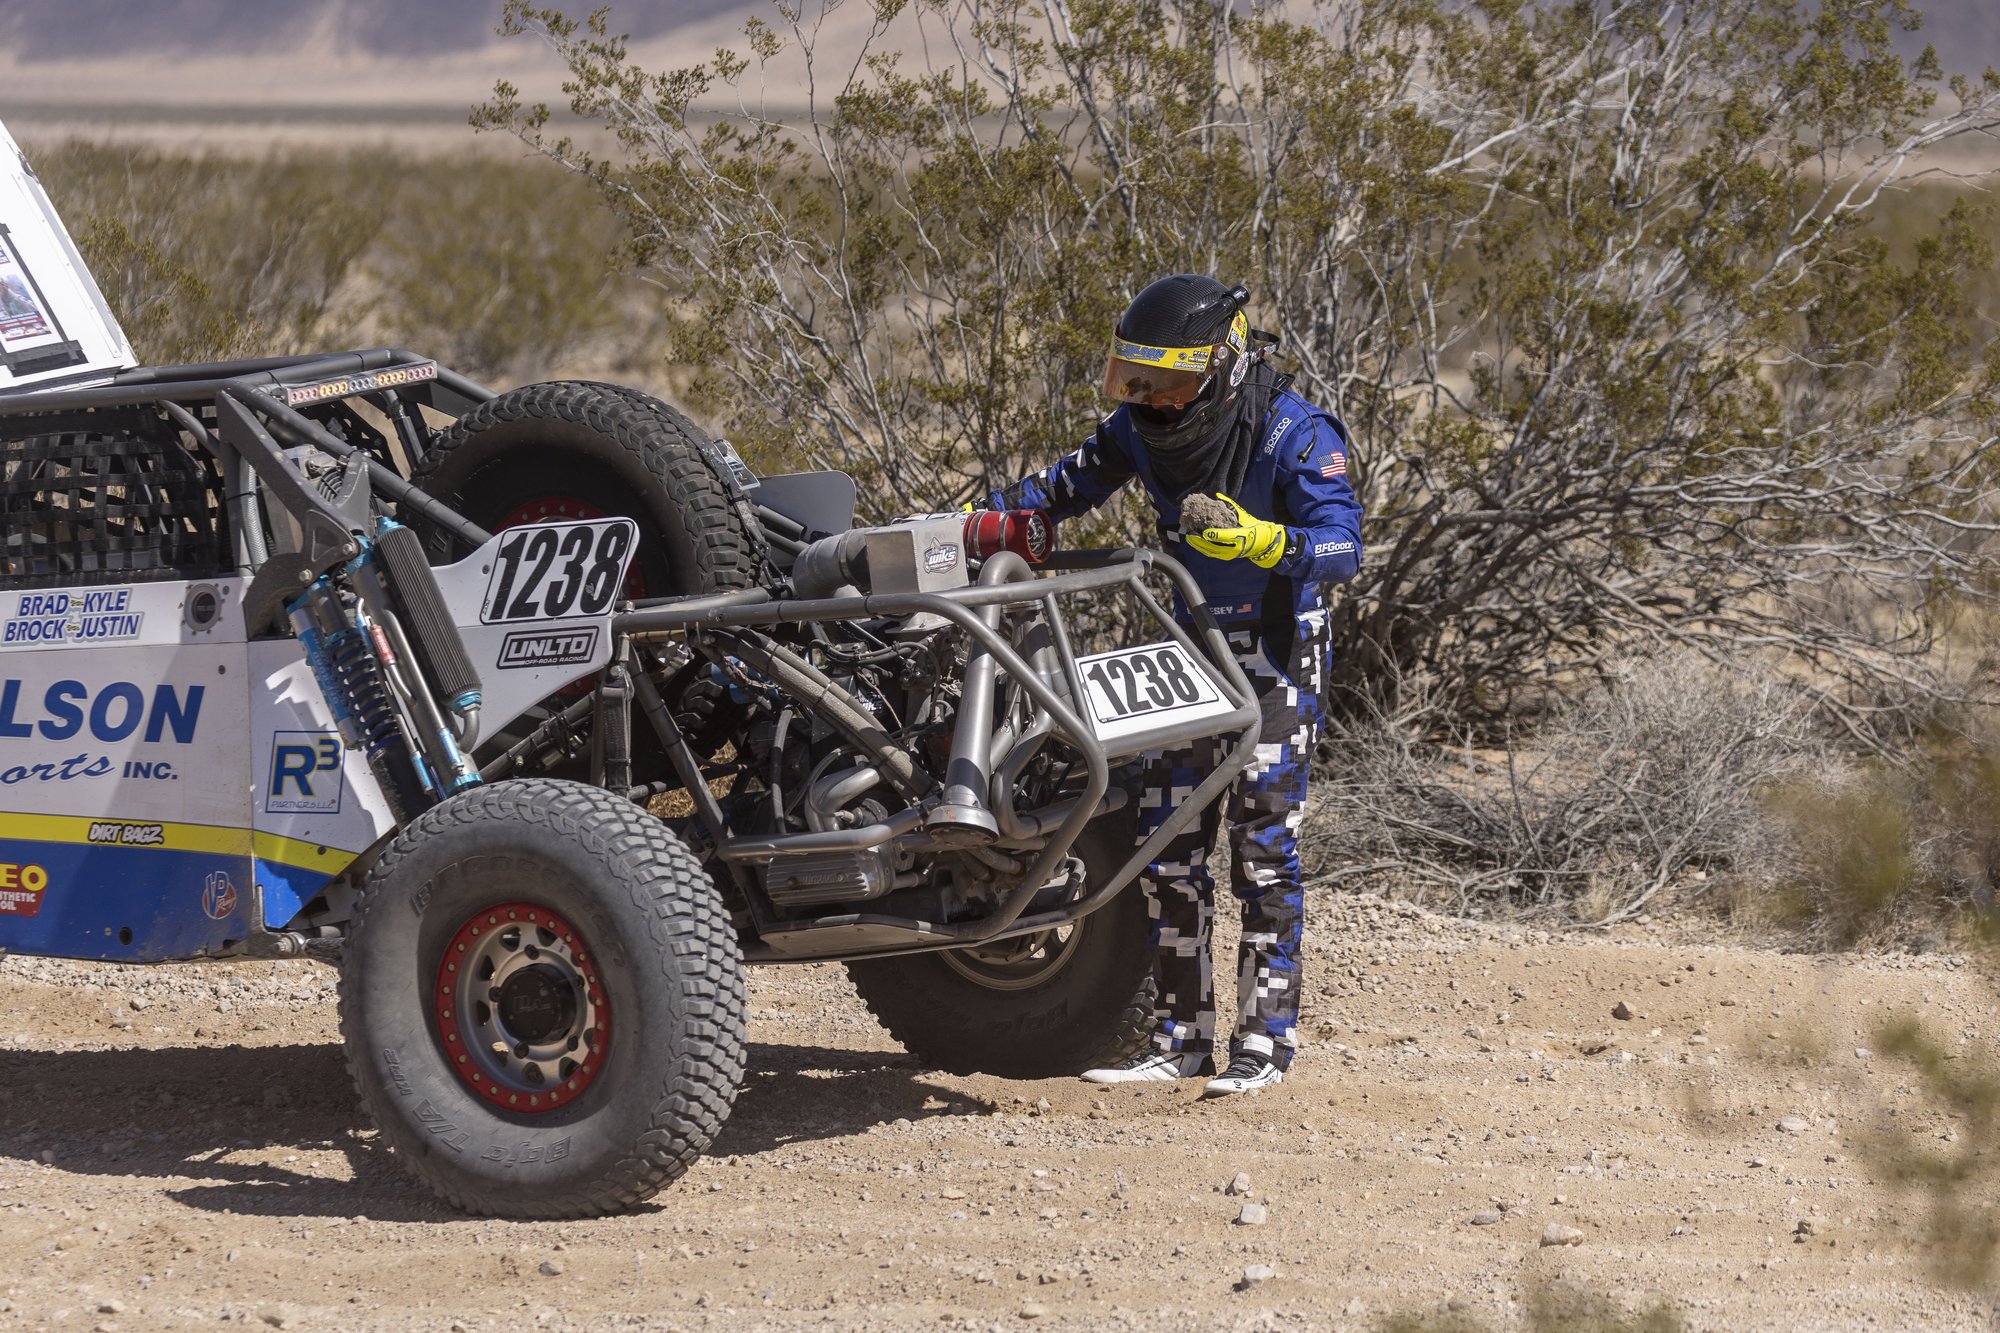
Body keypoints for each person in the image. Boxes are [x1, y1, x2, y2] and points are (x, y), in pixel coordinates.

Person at [982, 274, 1364, 1096]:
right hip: (1189, 648)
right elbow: (1059, 490)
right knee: (1166, 844)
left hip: (1277, 648)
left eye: (1170, 382)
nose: (1153, 399)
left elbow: (1344, 546)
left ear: (1222, 364)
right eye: (1139, 379)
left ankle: (1265, 1043)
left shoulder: (1294, 432)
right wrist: (989, 524)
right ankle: (1180, 1039)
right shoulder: (1137, 427)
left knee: (1263, 848)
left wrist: (1265, 541)